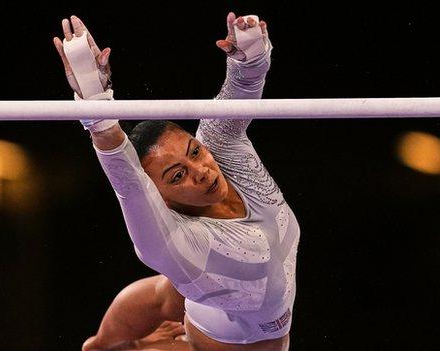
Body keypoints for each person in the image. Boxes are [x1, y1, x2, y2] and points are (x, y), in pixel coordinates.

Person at [53, 11, 300, 351]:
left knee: (169, 293)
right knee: (136, 323)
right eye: (178, 176)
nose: (201, 170)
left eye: (194, 152)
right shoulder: (175, 238)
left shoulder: (223, 148)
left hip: (211, 300)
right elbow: (128, 182)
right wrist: (96, 106)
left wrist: (250, 54)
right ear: (161, 198)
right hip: (210, 336)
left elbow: (243, 84)